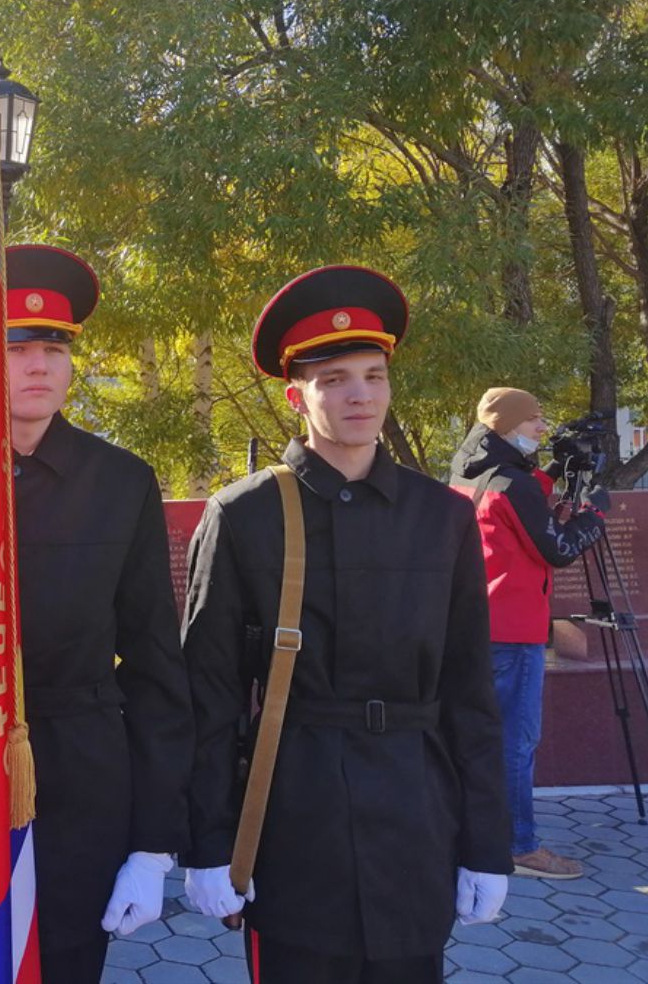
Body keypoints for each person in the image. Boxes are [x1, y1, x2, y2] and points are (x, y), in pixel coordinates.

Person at [182, 265, 512, 984]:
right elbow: (206, 696)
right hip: (293, 813)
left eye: (371, 374)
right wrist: (208, 845)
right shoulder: (243, 517)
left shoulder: (443, 518)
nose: (358, 393)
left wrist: (488, 841)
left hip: (415, 811)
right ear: (296, 396)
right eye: (333, 379)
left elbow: (470, 695)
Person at [3, 244, 192, 984]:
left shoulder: (118, 482)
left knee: (67, 963)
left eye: (53, 347)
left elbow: (154, 660)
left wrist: (152, 843)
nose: (39, 364)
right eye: (17, 347)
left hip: (80, 772)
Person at [450, 387, 603, 879]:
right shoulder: (512, 484)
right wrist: (592, 517)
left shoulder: (470, 474)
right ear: (507, 426)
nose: (542, 428)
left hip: (478, 624)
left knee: (481, 738)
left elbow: (521, 524)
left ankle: (469, 834)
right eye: (534, 420)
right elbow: (556, 549)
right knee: (517, 741)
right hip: (514, 632)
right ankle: (519, 846)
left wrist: (553, 483)